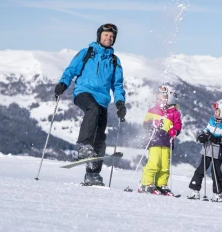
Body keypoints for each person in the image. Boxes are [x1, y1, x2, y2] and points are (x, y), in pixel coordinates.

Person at [54, 23, 127, 186]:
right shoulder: (86, 53)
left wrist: (120, 103)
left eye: (111, 36)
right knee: (92, 109)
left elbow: (117, 85)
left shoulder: (115, 61)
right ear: (99, 36)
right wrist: (63, 84)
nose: (108, 38)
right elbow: (71, 70)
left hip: (103, 100)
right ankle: (84, 144)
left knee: (100, 139)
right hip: (83, 92)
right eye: (106, 35)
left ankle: (92, 174)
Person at [187, 99, 222, 202]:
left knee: (215, 172)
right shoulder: (212, 120)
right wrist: (202, 136)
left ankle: (217, 194)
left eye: (218, 111)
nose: (215, 113)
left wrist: (217, 139)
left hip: (218, 151)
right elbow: (207, 130)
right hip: (208, 148)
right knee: (201, 168)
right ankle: (194, 190)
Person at [138, 85, 182, 196]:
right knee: (153, 163)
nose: (159, 101)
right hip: (154, 141)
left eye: (162, 99)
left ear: (170, 99)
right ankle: (146, 183)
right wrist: (152, 123)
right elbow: (145, 122)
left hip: (167, 143)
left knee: (164, 166)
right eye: (158, 99)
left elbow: (178, 126)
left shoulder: (175, 113)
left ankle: (161, 184)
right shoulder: (153, 111)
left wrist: (174, 131)